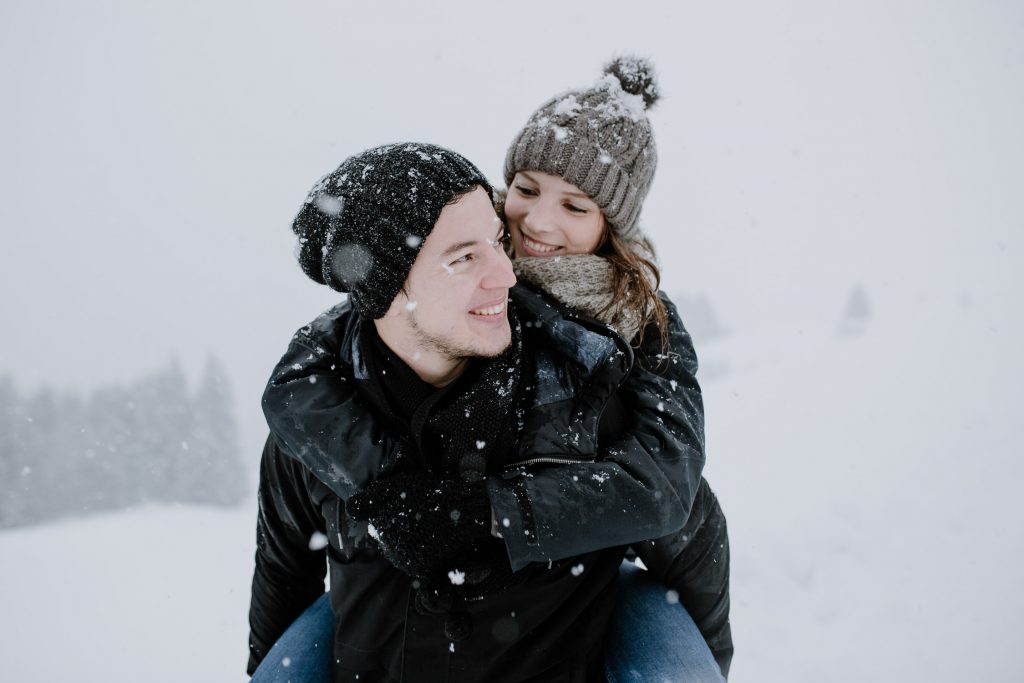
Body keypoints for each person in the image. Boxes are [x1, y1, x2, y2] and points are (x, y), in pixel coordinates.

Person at [248, 140, 729, 682]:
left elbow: (687, 539)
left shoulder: (586, 396)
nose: (507, 273)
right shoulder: (316, 427)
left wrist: (696, 666)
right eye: (464, 258)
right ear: (382, 288)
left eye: (498, 243)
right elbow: (283, 583)